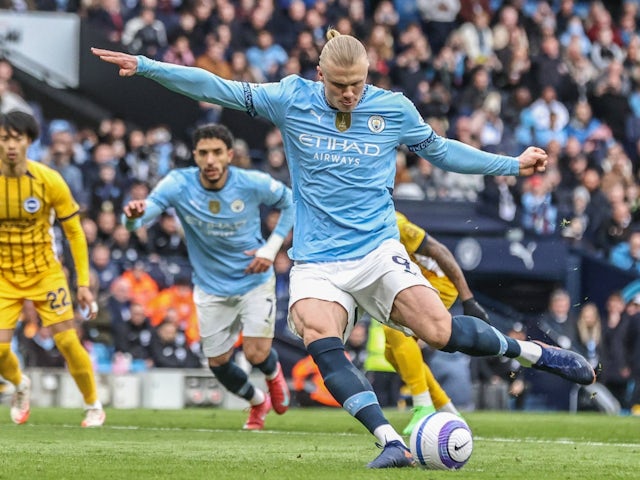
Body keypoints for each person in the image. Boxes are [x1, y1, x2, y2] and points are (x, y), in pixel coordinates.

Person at [92, 30, 595, 469]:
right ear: (320, 75)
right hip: (317, 261)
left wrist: (511, 164)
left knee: (439, 333)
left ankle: (534, 353)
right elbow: (216, 87)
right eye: (339, 86)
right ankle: (389, 441)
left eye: (358, 84)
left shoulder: (393, 108)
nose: (350, 94)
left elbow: (442, 151)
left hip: (378, 251)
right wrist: (147, 67)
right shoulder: (291, 98)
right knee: (316, 330)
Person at [117, 123, 294, 430]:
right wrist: (131, 218)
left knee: (255, 353)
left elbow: (290, 201)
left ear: (229, 155)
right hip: (211, 287)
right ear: (195, 156)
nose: (210, 160)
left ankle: (272, 374)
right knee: (218, 363)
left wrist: (271, 248)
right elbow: (146, 212)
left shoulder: (251, 182)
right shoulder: (178, 183)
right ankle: (256, 401)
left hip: (253, 279)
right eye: (203, 153)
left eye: (216, 153)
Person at [0, 111, 105, 427]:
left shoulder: (48, 180)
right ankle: (20, 385)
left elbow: (75, 231)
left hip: (45, 271)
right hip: (4, 275)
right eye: (5, 138)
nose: (10, 146)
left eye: (17, 138)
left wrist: (83, 283)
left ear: (29, 142)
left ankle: (93, 405)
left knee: (68, 342)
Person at [384, 211, 489, 435]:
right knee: (391, 354)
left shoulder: (394, 222)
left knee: (396, 333)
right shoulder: (359, 225)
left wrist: (467, 298)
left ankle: (423, 406)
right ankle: (446, 408)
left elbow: (440, 251)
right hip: (409, 282)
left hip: (437, 281)